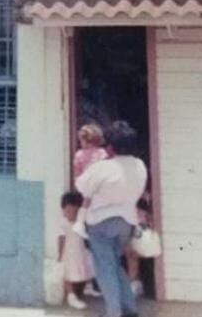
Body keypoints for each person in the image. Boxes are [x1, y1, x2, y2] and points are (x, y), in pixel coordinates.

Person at [75, 120, 147, 317]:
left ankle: (113, 312)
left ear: (111, 147)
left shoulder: (103, 168)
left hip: (101, 222)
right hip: (127, 222)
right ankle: (129, 308)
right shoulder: (139, 165)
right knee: (114, 264)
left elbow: (81, 186)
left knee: (105, 268)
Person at [58, 192, 93, 310]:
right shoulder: (64, 222)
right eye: (66, 211)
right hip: (69, 253)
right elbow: (61, 238)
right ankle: (71, 295)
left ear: (78, 211)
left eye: (71, 211)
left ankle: (84, 290)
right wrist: (60, 254)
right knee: (68, 273)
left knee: (82, 271)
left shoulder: (81, 222)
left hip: (81, 252)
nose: (68, 214)